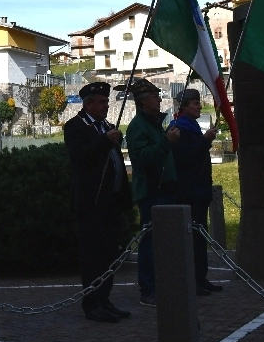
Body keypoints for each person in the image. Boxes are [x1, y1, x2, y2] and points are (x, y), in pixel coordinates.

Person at [63, 82, 133, 323]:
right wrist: (104, 141)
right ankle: (92, 303)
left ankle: (105, 299)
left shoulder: (107, 126)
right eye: (101, 102)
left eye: (107, 101)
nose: (106, 106)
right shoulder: (75, 127)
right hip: (91, 203)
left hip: (111, 202)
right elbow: (79, 157)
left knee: (109, 255)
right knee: (93, 257)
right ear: (88, 104)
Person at [125, 78, 180, 306]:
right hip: (151, 191)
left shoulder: (155, 124)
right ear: (143, 101)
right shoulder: (138, 127)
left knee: (166, 243)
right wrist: (166, 142)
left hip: (165, 189)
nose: (159, 99)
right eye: (154, 96)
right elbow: (143, 158)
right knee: (149, 243)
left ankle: (164, 285)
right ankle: (148, 289)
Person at [170, 87, 223, 295]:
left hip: (200, 189)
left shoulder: (190, 126)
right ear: (184, 106)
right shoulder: (178, 128)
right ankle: (193, 279)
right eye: (195, 103)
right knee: (192, 238)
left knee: (200, 238)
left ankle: (201, 276)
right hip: (189, 191)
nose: (200, 106)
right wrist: (205, 140)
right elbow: (186, 158)